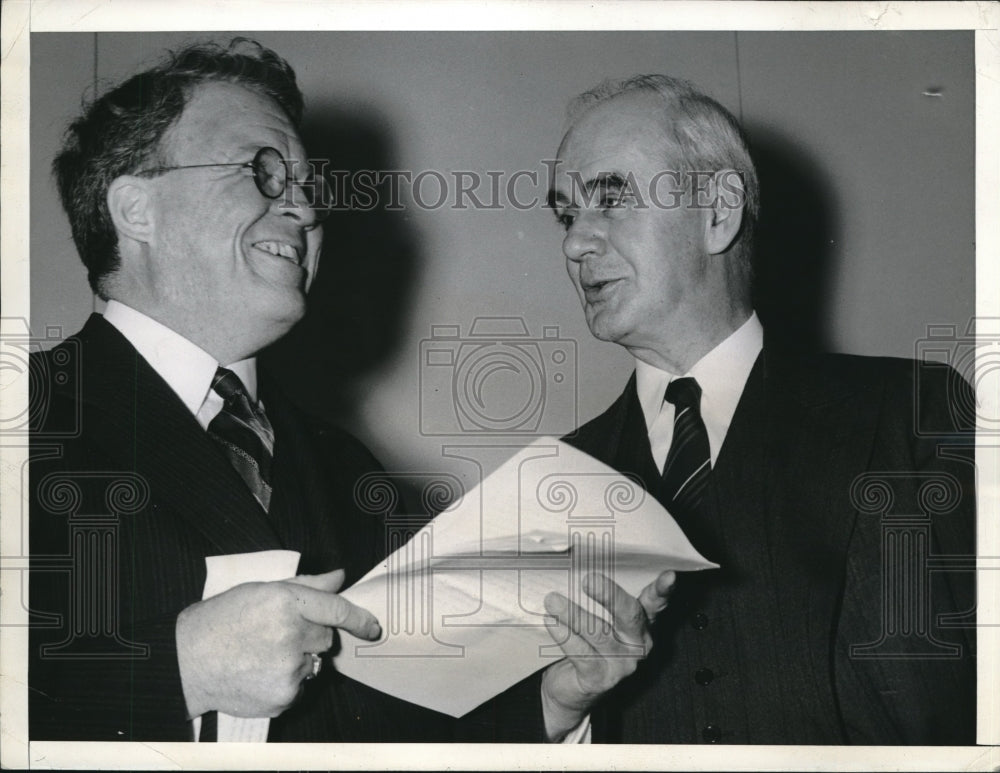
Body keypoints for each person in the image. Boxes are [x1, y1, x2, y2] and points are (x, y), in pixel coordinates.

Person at [28, 40, 670, 743]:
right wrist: (182, 668)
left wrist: (553, 701)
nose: (304, 213)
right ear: (135, 208)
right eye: (264, 173)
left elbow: (393, 728)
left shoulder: (347, 467)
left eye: (308, 189)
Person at [549, 74, 977, 744]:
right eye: (567, 215)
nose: (575, 243)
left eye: (611, 198)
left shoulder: (907, 416)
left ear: (718, 212)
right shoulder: (554, 479)